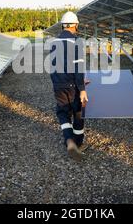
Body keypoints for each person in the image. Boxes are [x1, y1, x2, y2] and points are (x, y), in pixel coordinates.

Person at [50, 12, 89, 161]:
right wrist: (82, 88)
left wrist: (57, 83)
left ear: (62, 25)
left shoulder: (54, 42)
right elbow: (78, 68)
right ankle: (78, 143)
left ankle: (68, 140)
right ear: (76, 25)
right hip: (73, 85)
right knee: (78, 112)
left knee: (62, 113)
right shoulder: (77, 42)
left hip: (58, 83)